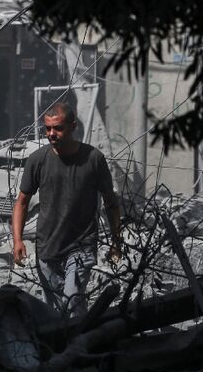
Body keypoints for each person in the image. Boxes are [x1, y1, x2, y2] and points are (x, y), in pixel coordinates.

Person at [12, 102, 122, 317]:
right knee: (54, 313)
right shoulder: (38, 160)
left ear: (73, 127)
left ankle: (80, 346)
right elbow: (22, 202)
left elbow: (111, 202)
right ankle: (64, 349)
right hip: (47, 247)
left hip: (81, 246)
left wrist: (116, 242)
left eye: (58, 128)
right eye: (48, 128)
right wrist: (17, 240)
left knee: (73, 302)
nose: (52, 134)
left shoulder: (93, 159)